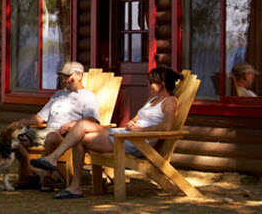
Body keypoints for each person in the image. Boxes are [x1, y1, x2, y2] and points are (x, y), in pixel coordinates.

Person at [30, 66, 181, 199]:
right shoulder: (152, 100)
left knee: (80, 137)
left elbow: (166, 126)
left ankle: (65, 173)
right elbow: (137, 118)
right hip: (126, 134)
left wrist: (140, 130)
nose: (149, 85)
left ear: (162, 84)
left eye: (152, 82)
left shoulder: (170, 102)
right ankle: (62, 169)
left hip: (138, 142)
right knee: (82, 126)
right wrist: (132, 123)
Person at [13, 61, 99, 191]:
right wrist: (24, 122)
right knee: (14, 137)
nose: (65, 80)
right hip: (45, 131)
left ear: (80, 76)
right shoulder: (58, 95)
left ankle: (48, 177)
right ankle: (30, 174)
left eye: (68, 76)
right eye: (63, 77)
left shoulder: (87, 96)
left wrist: (73, 123)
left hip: (66, 135)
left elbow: (93, 119)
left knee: (52, 137)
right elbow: (40, 117)